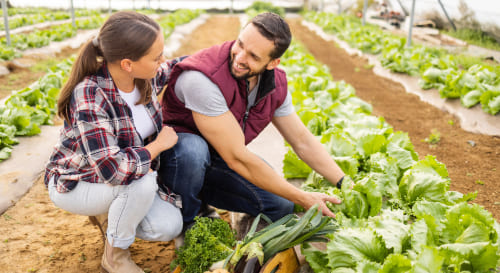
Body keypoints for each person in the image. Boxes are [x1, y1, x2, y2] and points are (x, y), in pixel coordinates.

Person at [159, 12, 345, 228]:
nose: (239, 58)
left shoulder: (274, 86)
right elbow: (237, 157)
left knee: (283, 204)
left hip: (219, 159)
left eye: (254, 56)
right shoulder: (201, 80)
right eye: (240, 44)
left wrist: (344, 183)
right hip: (178, 163)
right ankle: (188, 221)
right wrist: (303, 197)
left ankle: (203, 197)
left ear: (273, 63)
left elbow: (302, 140)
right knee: (193, 151)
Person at [44, 11, 183, 273]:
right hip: (79, 182)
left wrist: (226, 55)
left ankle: (113, 216)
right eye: (156, 56)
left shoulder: (143, 78)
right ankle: (115, 256)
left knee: (168, 226)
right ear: (128, 64)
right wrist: (157, 146)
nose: (162, 60)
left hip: (121, 178)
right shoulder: (89, 94)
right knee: (140, 183)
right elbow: (113, 169)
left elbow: (173, 66)